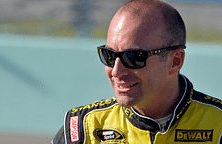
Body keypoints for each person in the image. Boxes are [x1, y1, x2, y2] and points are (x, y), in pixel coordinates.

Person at [52, 0, 222, 143]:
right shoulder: (82, 129)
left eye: (133, 57)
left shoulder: (218, 126)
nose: (116, 71)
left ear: (175, 61)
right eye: (109, 55)